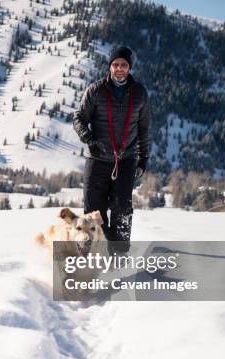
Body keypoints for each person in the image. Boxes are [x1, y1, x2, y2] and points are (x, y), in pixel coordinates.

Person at [73, 46, 150, 253]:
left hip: (126, 160)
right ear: (110, 67)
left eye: (123, 65)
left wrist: (143, 159)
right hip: (97, 158)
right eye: (115, 64)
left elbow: (144, 129)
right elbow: (79, 118)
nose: (119, 69)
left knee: (122, 209)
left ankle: (119, 253)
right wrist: (87, 136)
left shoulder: (140, 93)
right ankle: (92, 253)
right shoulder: (95, 90)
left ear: (129, 67)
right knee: (92, 211)